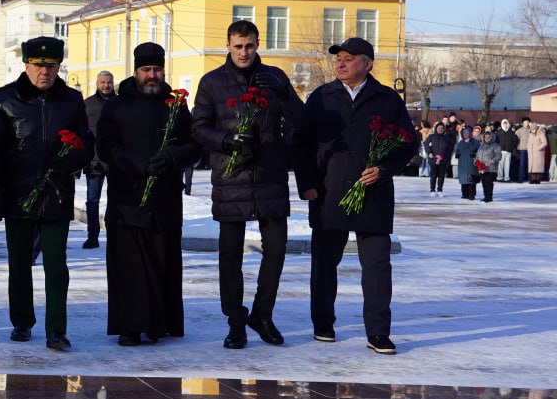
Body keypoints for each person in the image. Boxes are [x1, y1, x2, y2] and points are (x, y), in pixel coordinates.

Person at [292, 37, 417, 355]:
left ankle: (378, 332)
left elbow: (407, 144)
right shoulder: (321, 97)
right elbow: (301, 143)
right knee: (324, 263)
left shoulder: (387, 99)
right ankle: (323, 324)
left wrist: (384, 168)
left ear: (368, 63)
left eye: (349, 58)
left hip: (373, 194)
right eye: (339, 58)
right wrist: (307, 183)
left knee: (376, 266)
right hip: (329, 191)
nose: (341, 63)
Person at [191, 20, 306, 349]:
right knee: (230, 257)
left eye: (250, 46)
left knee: (277, 250)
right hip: (231, 178)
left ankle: (262, 314)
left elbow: (300, 119)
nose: (244, 52)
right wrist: (227, 140)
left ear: (258, 45)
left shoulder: (275, 78)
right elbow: (199, 128)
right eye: (238, 46)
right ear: (227, 44)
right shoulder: (212, 82)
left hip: (269, 175)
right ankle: (236, 320)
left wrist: (283, 95)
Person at [0, 36, 92, 351]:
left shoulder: (71, 100)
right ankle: (22, 321)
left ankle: (56, 329)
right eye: (38, 65)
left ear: (59, 66)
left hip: (56, 194)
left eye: (51, 66)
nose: (44, 72)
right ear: (26, 64)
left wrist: (69, 159)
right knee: (19, 262)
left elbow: (87, 143)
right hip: (18, 195)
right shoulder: (6, 99)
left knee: (56, 264)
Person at [97, 42, 199, 345]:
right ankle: (129, 326)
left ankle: (158, 324)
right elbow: (105, 147)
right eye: (146, 70)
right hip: (127, 198)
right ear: (136, 71)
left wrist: (171, 157)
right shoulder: (116, 105)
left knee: (161, 261)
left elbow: (194, 146)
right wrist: (139, 164)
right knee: (128, 268)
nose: (152, 75)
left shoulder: (176, 105)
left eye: (156, 69)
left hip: (164, 199)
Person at [81, 71, 115, 249]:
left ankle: (115, 234)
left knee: (116, 200)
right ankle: (92, 235)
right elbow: (81, 134)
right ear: (97, 83)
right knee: (92, 201)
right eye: (103, 82)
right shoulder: (87, 105)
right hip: (94, 161)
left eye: (109, 82)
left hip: (117, 161)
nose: (106, 85)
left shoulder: (121, 103)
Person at [424, 121, 453, 196]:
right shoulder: (432, 136)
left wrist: (446, 157)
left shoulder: (446, 138)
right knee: (433, 175)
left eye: (442, 128)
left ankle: (440, 190)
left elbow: (450, 148)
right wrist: (429, 152)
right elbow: (426, 144)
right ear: (436, 128)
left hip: (443, 160)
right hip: (433, 159)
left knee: (441, 175)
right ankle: (432, 190)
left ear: (444, 129)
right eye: (439, 128)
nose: (440, 129)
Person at [476, 129, 502, 203]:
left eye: (488, 137)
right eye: (485, 137)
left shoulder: (495, 146)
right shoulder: (482, 146)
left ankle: (489, 197)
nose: (487, 138)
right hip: (482, 168)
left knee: (488, 183)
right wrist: (476, 161)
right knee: (484, 183)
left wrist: (492, 161)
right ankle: (486, 196)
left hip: (491, 168)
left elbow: (498, 156)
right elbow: (478, 155)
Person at [454, 126, 479, 200]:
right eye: (464, 133)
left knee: (472, 179)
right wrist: (457, 154)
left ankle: (472, 194)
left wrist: (475, 154)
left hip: (472, 163)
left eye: (467, 133)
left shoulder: (475, 142)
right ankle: (465, 194)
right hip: (462, 164)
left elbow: (479, 151)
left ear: (470, 133)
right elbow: (457, 151)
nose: (466, 134)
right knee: (464, 179)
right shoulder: (460, 143)